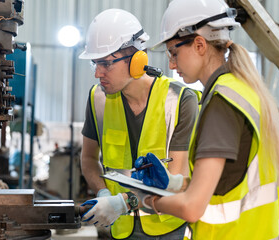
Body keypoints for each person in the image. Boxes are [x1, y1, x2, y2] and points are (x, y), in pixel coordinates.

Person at [132, 0, 279, 239]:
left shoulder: (223, 103)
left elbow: (192, 208)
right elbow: (226, 182)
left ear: (199, 44)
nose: (171, 63)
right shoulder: (243, 90)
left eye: (174, 52)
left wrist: (148, 202)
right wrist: (175, 183)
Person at [78, 8, 199, 239]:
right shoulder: (98, 99)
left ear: (137, 60)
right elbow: (88, 159)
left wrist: (124, 202)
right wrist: (103, 192)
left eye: (106, 64)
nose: (98, 74)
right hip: (119, 228)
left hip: (166, 226)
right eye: (95, 64)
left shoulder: (180, 99)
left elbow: (176, 175)